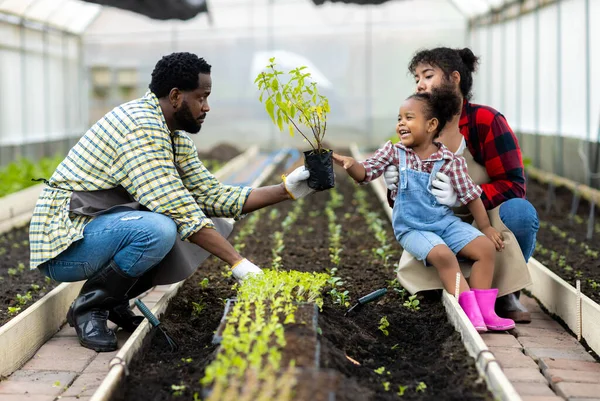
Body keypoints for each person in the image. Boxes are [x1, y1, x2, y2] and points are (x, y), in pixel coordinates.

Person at [29, 52, 316, 352]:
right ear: (176, 96)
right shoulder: (139, 127)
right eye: (202, 97)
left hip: (101, 229)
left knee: (210, 223)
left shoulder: (174, 137)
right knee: (159, 229)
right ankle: (89, 307)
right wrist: (239, 263)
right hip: (64, 243)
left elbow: (213, 197)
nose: (207, 106)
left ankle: (113, 301)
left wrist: (287, 189)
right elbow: (177, 208)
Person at [332, 88, 515, 332]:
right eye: (399, 119)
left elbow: (471, 196)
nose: (401, 124)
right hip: (412, 227)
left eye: (409, 117)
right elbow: (367, 172)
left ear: (431, 125)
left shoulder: (450, 161)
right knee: (443, 256)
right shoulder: (394, 153)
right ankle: (469, 311)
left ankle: (485, 311)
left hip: (444, 223)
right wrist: (352, 165)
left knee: (484, 248)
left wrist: (486, 227)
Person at [383, 47, 538, 322]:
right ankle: (446, 292)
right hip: (435, 224)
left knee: (520, 213)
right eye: (417, 78)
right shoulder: (420, 127)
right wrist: (394, 186)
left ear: (454, 79)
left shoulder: (485, 122)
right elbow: (407, 202)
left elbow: (514, 185)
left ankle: (505, 293)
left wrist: (463, 197)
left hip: (482, 217)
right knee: (434, 283)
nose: (419, 84)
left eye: (427, 75)